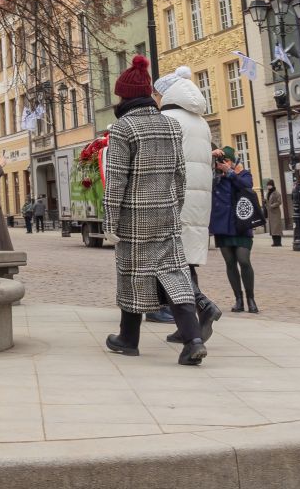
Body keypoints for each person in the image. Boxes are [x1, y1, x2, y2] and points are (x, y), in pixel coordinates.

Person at [101, 55, 207, 365]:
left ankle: (128, 339)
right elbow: (181, 175)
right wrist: (176, 207)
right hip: (167, 212)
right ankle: (193, 339)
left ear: (126, 97)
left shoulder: (123, 129)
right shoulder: (171, 126)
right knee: (174, 274)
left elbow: (116, 181)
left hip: (134, 215)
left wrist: (110, 222)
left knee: (132, 274)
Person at [156, 69, 221, 337]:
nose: (155, 99)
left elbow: (162, 162)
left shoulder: (168, 119)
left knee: (168, 263)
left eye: (157, 94)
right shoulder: (200, 122)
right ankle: (188, 327)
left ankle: (203, 306)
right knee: (185, 262)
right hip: (198, 202)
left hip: (175, 198)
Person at [209, 149, 257, 313]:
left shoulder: (243, 175)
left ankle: (251, 298)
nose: (224, 164)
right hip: (223, 226)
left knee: (244, 260)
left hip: (241, 225)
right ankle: (238, 299)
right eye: (222, 161)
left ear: (233, 161)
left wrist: (229, 172)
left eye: (227, 161)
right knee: (230, 263)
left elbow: (247, 186)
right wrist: (210, 158)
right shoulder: (215, 178)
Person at [263, 178, 284, 247]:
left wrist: (272, 205)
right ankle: (274, 242)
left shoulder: (276, 193)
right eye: (268, 185)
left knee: (277, 228)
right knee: (272, 228)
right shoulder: (268, 193)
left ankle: (278, 242)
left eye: (270, 185)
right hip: (270, 213)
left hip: (275, 212)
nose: (268, 186)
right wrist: (265, 203)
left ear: (272, 185)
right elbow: (267, 200)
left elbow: (279, 202)